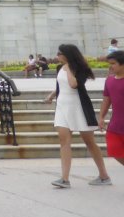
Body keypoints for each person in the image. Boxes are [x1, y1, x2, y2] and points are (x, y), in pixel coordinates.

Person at [44, 43, 111, 187]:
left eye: (59, 53)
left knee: (89, 142)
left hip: (79, 107)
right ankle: (65, 178)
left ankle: (104, 175)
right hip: (62, 106)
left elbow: (74, 85)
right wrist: (51, 95)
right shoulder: (59, 68)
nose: (57, 56)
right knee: (64, 141)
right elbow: (60, 86)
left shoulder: (80, 68)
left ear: (67, 55)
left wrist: (68, 69)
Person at [99, 50, 124, 170]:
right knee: (114, 150)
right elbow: (106, 100)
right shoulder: (109, 80)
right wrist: (101, 117)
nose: (110, 66)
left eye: (113, 63)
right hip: (115, 125)